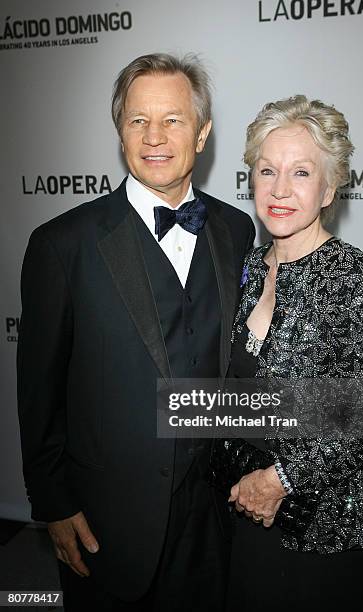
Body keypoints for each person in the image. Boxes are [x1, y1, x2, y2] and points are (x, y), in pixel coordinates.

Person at [17, 53, 255, 612]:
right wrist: (53, 503)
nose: (155, 136)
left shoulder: (237, 228)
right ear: (120, 129)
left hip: (216, 509)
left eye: (173, 119)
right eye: (137, 120)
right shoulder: (62, 245)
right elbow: (38, 389)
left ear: (202, 133)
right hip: (108, 515)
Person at [210, 95, 363, 611]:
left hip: (319, 527)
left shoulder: (357, 280)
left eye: (301, 172)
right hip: (241, 509)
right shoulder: (244, 269)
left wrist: (282, 477)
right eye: (267, 171)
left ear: (329, 187)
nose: (280, 190)